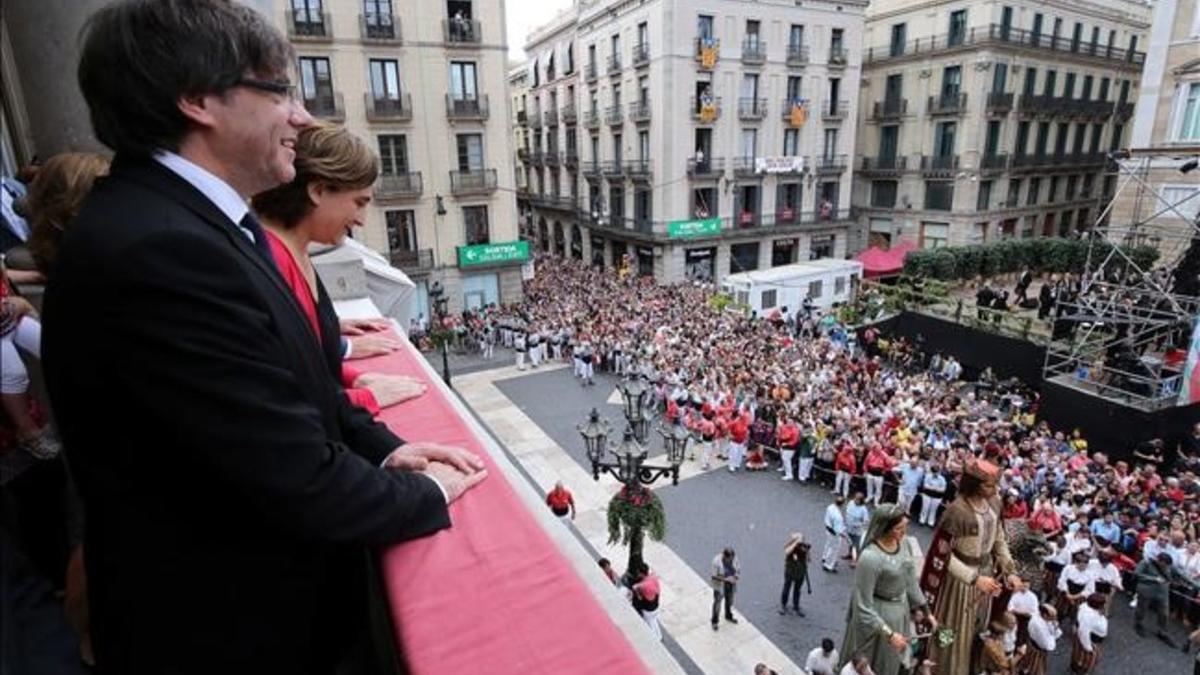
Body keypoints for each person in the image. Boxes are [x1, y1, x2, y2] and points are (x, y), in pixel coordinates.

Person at [43, 3, 486, 672]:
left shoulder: (202, 225)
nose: (301, 117)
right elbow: (293, 475)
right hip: (236, 636)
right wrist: (426, 494)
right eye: (281, 89)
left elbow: (304, 391)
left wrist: (390, 449)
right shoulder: (158, 250)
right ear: (198, 99)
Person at [250, 123, 427, 416]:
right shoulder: (273, 264)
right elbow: (283, 395)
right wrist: (364, 397)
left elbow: (303, 357)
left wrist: (349, 369)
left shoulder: (288, 251)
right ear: (318, 190)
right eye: (358, 202)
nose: (361, 220)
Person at [922, 459, 1018, 675]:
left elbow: (999, 539)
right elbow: (943, 556)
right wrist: (974, 579)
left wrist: (1009, 569)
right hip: (960, 585)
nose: (994, 490)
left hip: (986, 577)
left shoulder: (994, 503)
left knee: (978, 628)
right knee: (954, 632)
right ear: (974, 484)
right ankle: (946, 668)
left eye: (995, 485)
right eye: (989, 485)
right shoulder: (957, 511)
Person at [839, 504, 933, 675]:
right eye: (898, 528)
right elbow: (863, 606)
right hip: (877, 619)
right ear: (885, 528)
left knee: (892, 663)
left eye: (905, 527)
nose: (903, 532)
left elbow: (910, 581)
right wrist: (889, 634)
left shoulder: (904, 544)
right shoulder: (870, 558)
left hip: (899, 612)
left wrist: (927, 612)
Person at [1134, 551, 1195, 645]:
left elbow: (1181, 575)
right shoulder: (1146, 562)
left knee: (1164, 613)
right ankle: (1138, 624)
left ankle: (1162, 632)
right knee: (1142, 609)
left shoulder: (1169, 566)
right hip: (1146, 590)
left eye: (1167, 565)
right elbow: (1137, 574)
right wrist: (1153, 579)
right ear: (1159, 560)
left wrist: (1194, 584)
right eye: (1164, 565)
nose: (1166, 567)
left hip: (1162, 592)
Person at [1070, 594, 1107, 675]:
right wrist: (1088, 647)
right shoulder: (1088, 616)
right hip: (1090, 640)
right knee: (1084, 660)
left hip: (1090, 637)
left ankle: (1075, 668)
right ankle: (1079, 671)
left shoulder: (1085, 607)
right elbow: (1084, 632)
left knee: (1078, 654)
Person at [1019, 603, 1061, 675]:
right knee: (1035, 669)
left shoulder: (1041, 617)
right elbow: (1047, 645)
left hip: (1032, 644)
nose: (1053, 619)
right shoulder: (1039, 626)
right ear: (1045, 615)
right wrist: (1054, 636)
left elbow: (1054, 630)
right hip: (1037, 651)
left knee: (1028, 665)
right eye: (1051, 617)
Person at [780, 532, 811, 615]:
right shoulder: (791, 547)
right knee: (787, 588)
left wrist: (807, 552)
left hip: (800, 571)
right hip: (790, 570)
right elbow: (787, 552)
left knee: (797, 590)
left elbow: (808, 560)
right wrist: (795, 544)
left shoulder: (803, 547)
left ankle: (796, 606)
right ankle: (783, 604)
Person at [631, 562, 662, 641]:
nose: (637, 574)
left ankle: (655, 640)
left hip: (648, 609)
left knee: (650, 625)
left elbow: (638, 593)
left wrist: (637, 591)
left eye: (638, 573)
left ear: (641, 573)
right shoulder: (653, 578)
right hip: (656, 606)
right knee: (654, 621)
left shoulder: (643, 586)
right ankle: (659, 636)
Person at [711, 547, 740, 629]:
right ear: (724, 556)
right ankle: (714, 621)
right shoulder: (716, 562)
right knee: (717, 603)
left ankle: (728, 615)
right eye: (729, 559)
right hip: (720, 585)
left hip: (730, 584)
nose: (730, 561)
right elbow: (714, 576)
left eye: (731, 559)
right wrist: (726, 579)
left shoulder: (734, 559)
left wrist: (736, 576)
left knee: (729, 601)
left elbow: (737, 569)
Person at [845, 492, 870, 567]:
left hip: (857, 530)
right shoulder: (851, 503)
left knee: (855, 545)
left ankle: (855, 560)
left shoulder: (863, 509)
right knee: (850, 542)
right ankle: (850, 554)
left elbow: (866, 521)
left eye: (857, 499)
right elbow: (847, 512)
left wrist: (858, 525)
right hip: (849, 527)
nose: (855, 500)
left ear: (861, 501)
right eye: (855, 498)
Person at [823, 495, 848, 573]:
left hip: (828, 529)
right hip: (834, 533)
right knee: (835, 549)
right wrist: (844, 534)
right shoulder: (838, 517)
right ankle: (829, 565)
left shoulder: (830, 507)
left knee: (829, 545)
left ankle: (825, 558)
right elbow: (839, 529)